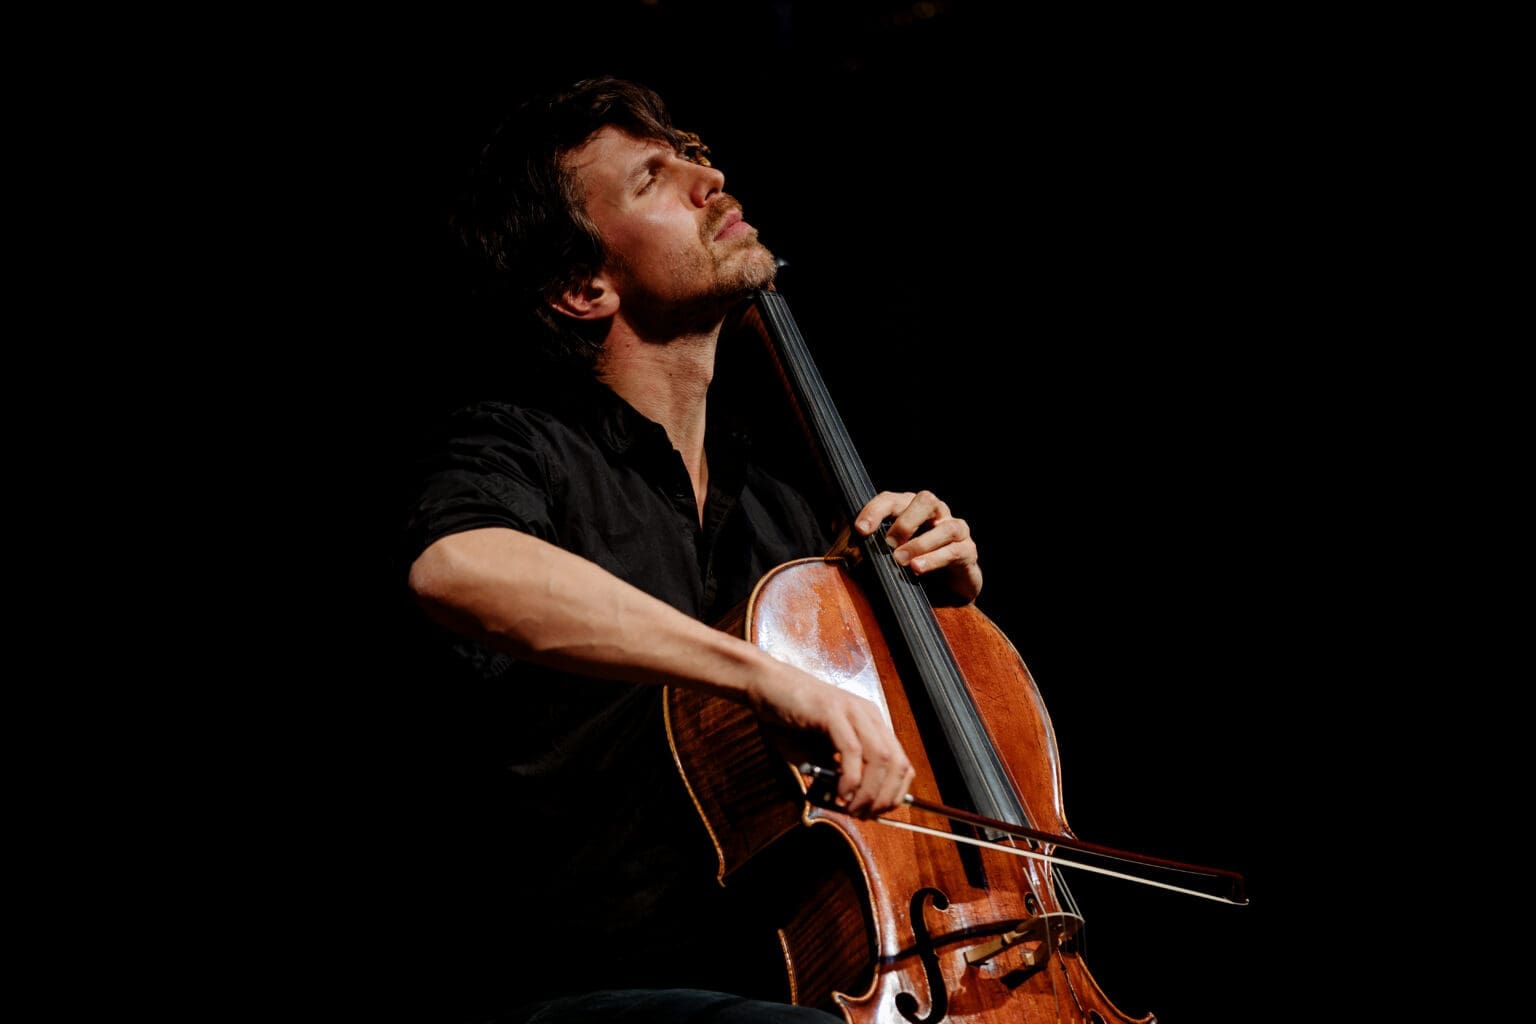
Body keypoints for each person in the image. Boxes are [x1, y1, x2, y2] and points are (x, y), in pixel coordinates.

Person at [399, 76, 983, 1024]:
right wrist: (759, 674)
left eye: (693, 153)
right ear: (584, 287)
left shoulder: (782, 516)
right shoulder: (516, 447)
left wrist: (938, 616)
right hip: (581, 998)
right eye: (652, 178)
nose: (705, 176)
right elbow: (458, 568)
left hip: (788, 984)